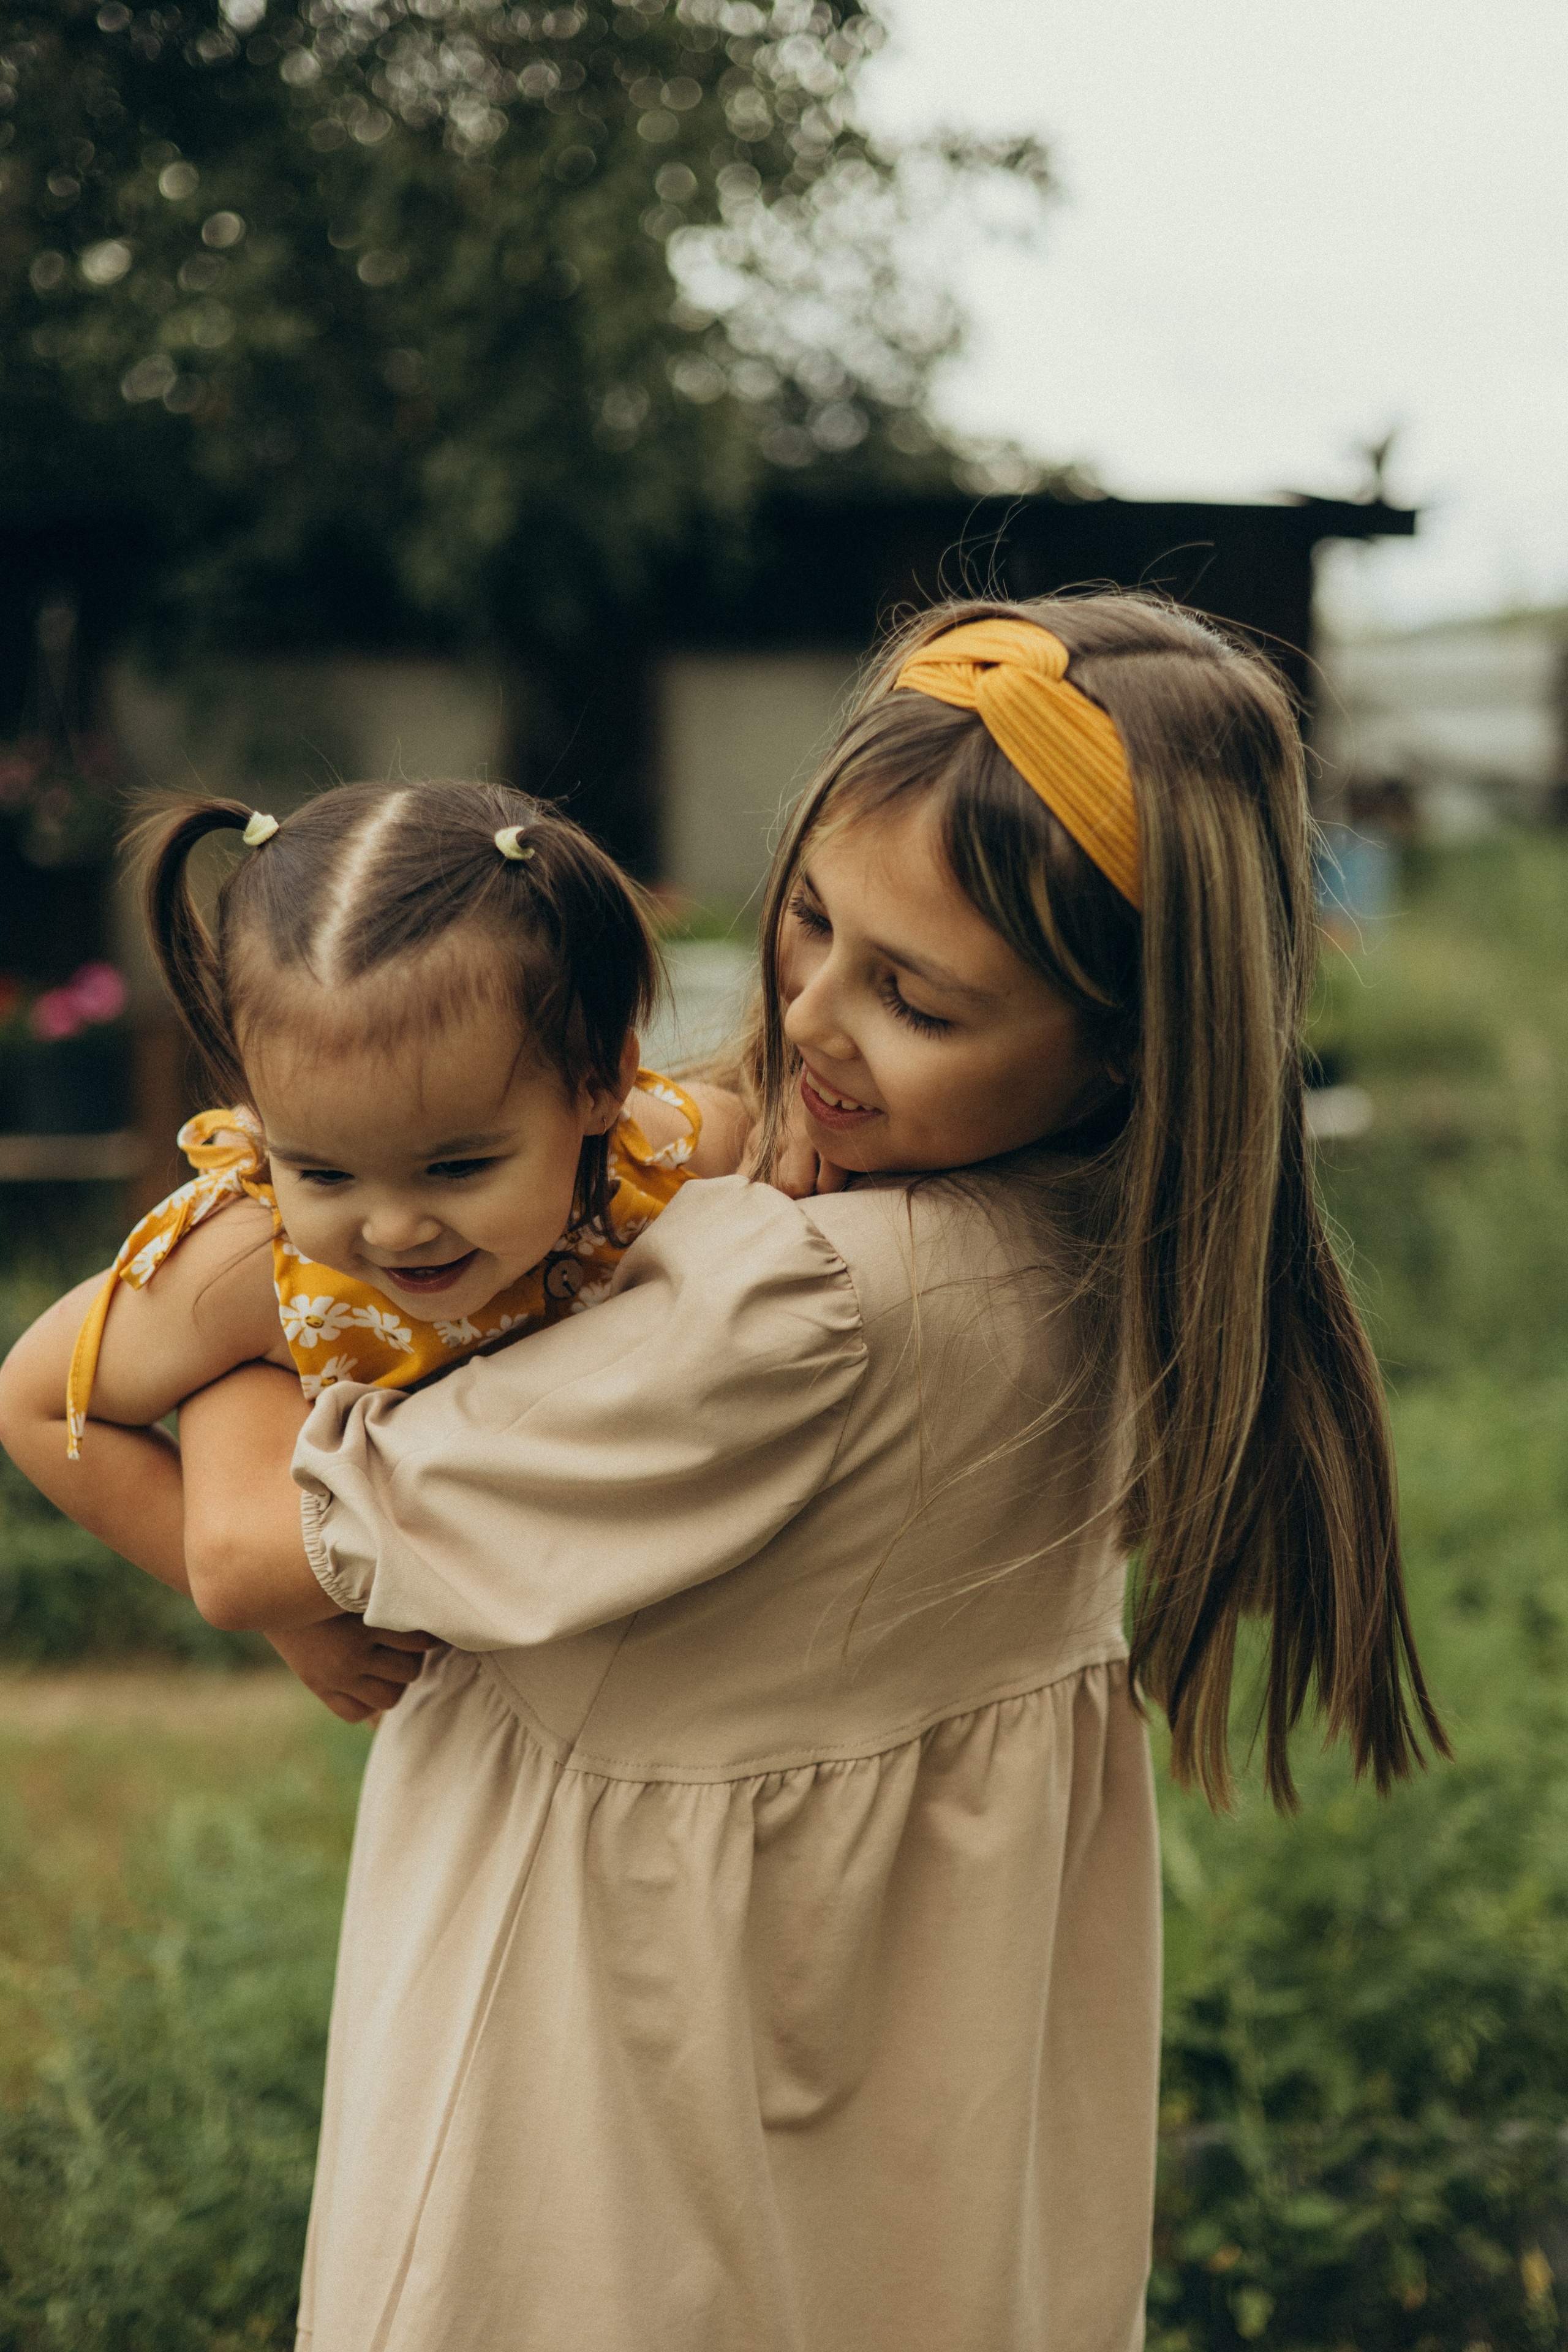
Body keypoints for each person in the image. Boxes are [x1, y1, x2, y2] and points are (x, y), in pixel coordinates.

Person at [127, 599, 1450, 2351]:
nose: (815, 1015)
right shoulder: (1130, 1261)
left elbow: (248, 1548)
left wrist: (240, 1332)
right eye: (813, 921)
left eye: (914, 997)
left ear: (1126, 1036)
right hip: (918, 2149)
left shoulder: (791, 1308)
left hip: (600, 2136)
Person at [0, 778, 747, 1719]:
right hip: (472, 1690)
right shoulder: (255, 1269)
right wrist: (291, 1618)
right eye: (323, 1174)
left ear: (599, 1086)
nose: (394, 1229)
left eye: (458, 1167)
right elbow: (36, 1406)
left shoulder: (671, 1152)